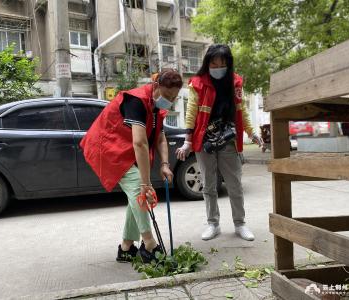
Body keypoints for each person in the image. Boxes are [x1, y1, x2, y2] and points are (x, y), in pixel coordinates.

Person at [80, 69, 183, 262]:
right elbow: (140, 143)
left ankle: (126, 248)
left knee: (135, 199)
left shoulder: (157, 107)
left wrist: (165, 164)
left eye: (174, 97)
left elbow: (160, 137)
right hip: (107, 148)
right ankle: (150, 244)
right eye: (168, 95)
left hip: (124, 150)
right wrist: (145, 184)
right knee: (138, 189)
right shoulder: (136, 100)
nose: (170, 100)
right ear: (156, 86)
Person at [175, 44, 263, 241]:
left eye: (222, 64)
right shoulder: (197, 83)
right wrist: (188, 140)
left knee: (234, 184)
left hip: (228, 139)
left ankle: (240, 224)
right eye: (213, 64)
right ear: (207, 63)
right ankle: (213, 224)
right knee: (208, 185)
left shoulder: (235, 83)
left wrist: (252, 132)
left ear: (228, 64)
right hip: (204, 140)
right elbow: (191, 113)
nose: (217, 67)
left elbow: (242, 112)